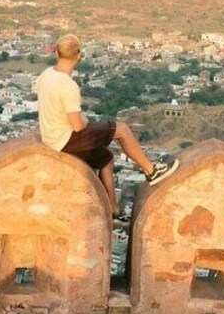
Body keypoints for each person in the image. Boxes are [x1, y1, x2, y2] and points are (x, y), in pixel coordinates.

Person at [34, 34, 179, 215]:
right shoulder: (67, 85)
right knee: (122, 130)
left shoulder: (46, 75)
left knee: (106, 158)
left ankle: (112, 207)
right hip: (66, 138)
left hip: (52, 137)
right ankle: (151, 170)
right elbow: (78, 126)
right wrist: (86, 121)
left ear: (56, 53)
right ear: (79, 55)